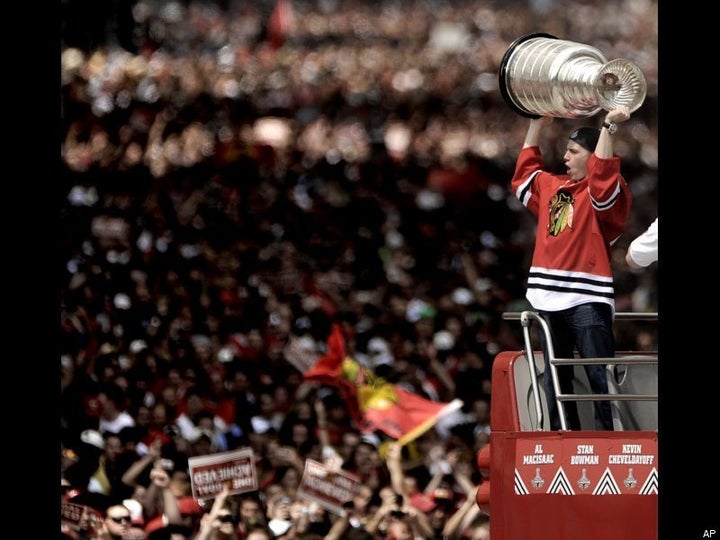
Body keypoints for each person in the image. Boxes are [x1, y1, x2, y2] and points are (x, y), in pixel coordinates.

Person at [510, 105, 632, 431]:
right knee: (554, 378)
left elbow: (604, 179)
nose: (565, 156)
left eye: (574, 151)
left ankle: (609, 443)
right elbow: (523, 176)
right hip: (547, 297)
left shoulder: (604, 191)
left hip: (587, 298)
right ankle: (563, 439)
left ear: (592, 158)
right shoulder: (554, 186)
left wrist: (608, 127)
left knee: (599, 375)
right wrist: (536, 123)